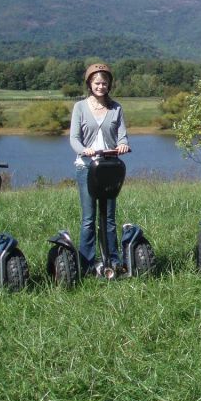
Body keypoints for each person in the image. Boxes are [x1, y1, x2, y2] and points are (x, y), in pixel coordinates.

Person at [69, 63, 130, 272]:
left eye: (104, 83)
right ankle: (86, 263)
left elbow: (122, 136)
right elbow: (74, 139)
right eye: (97, 82)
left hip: (109, 167)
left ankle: (113, 260)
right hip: (86, 167)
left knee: (109, 217)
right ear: (89, 84)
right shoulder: (80, 107)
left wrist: (123, 145)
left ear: (109, 84)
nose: (101, 86)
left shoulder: (116, 108)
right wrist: (84, 150)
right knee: (89, 218)